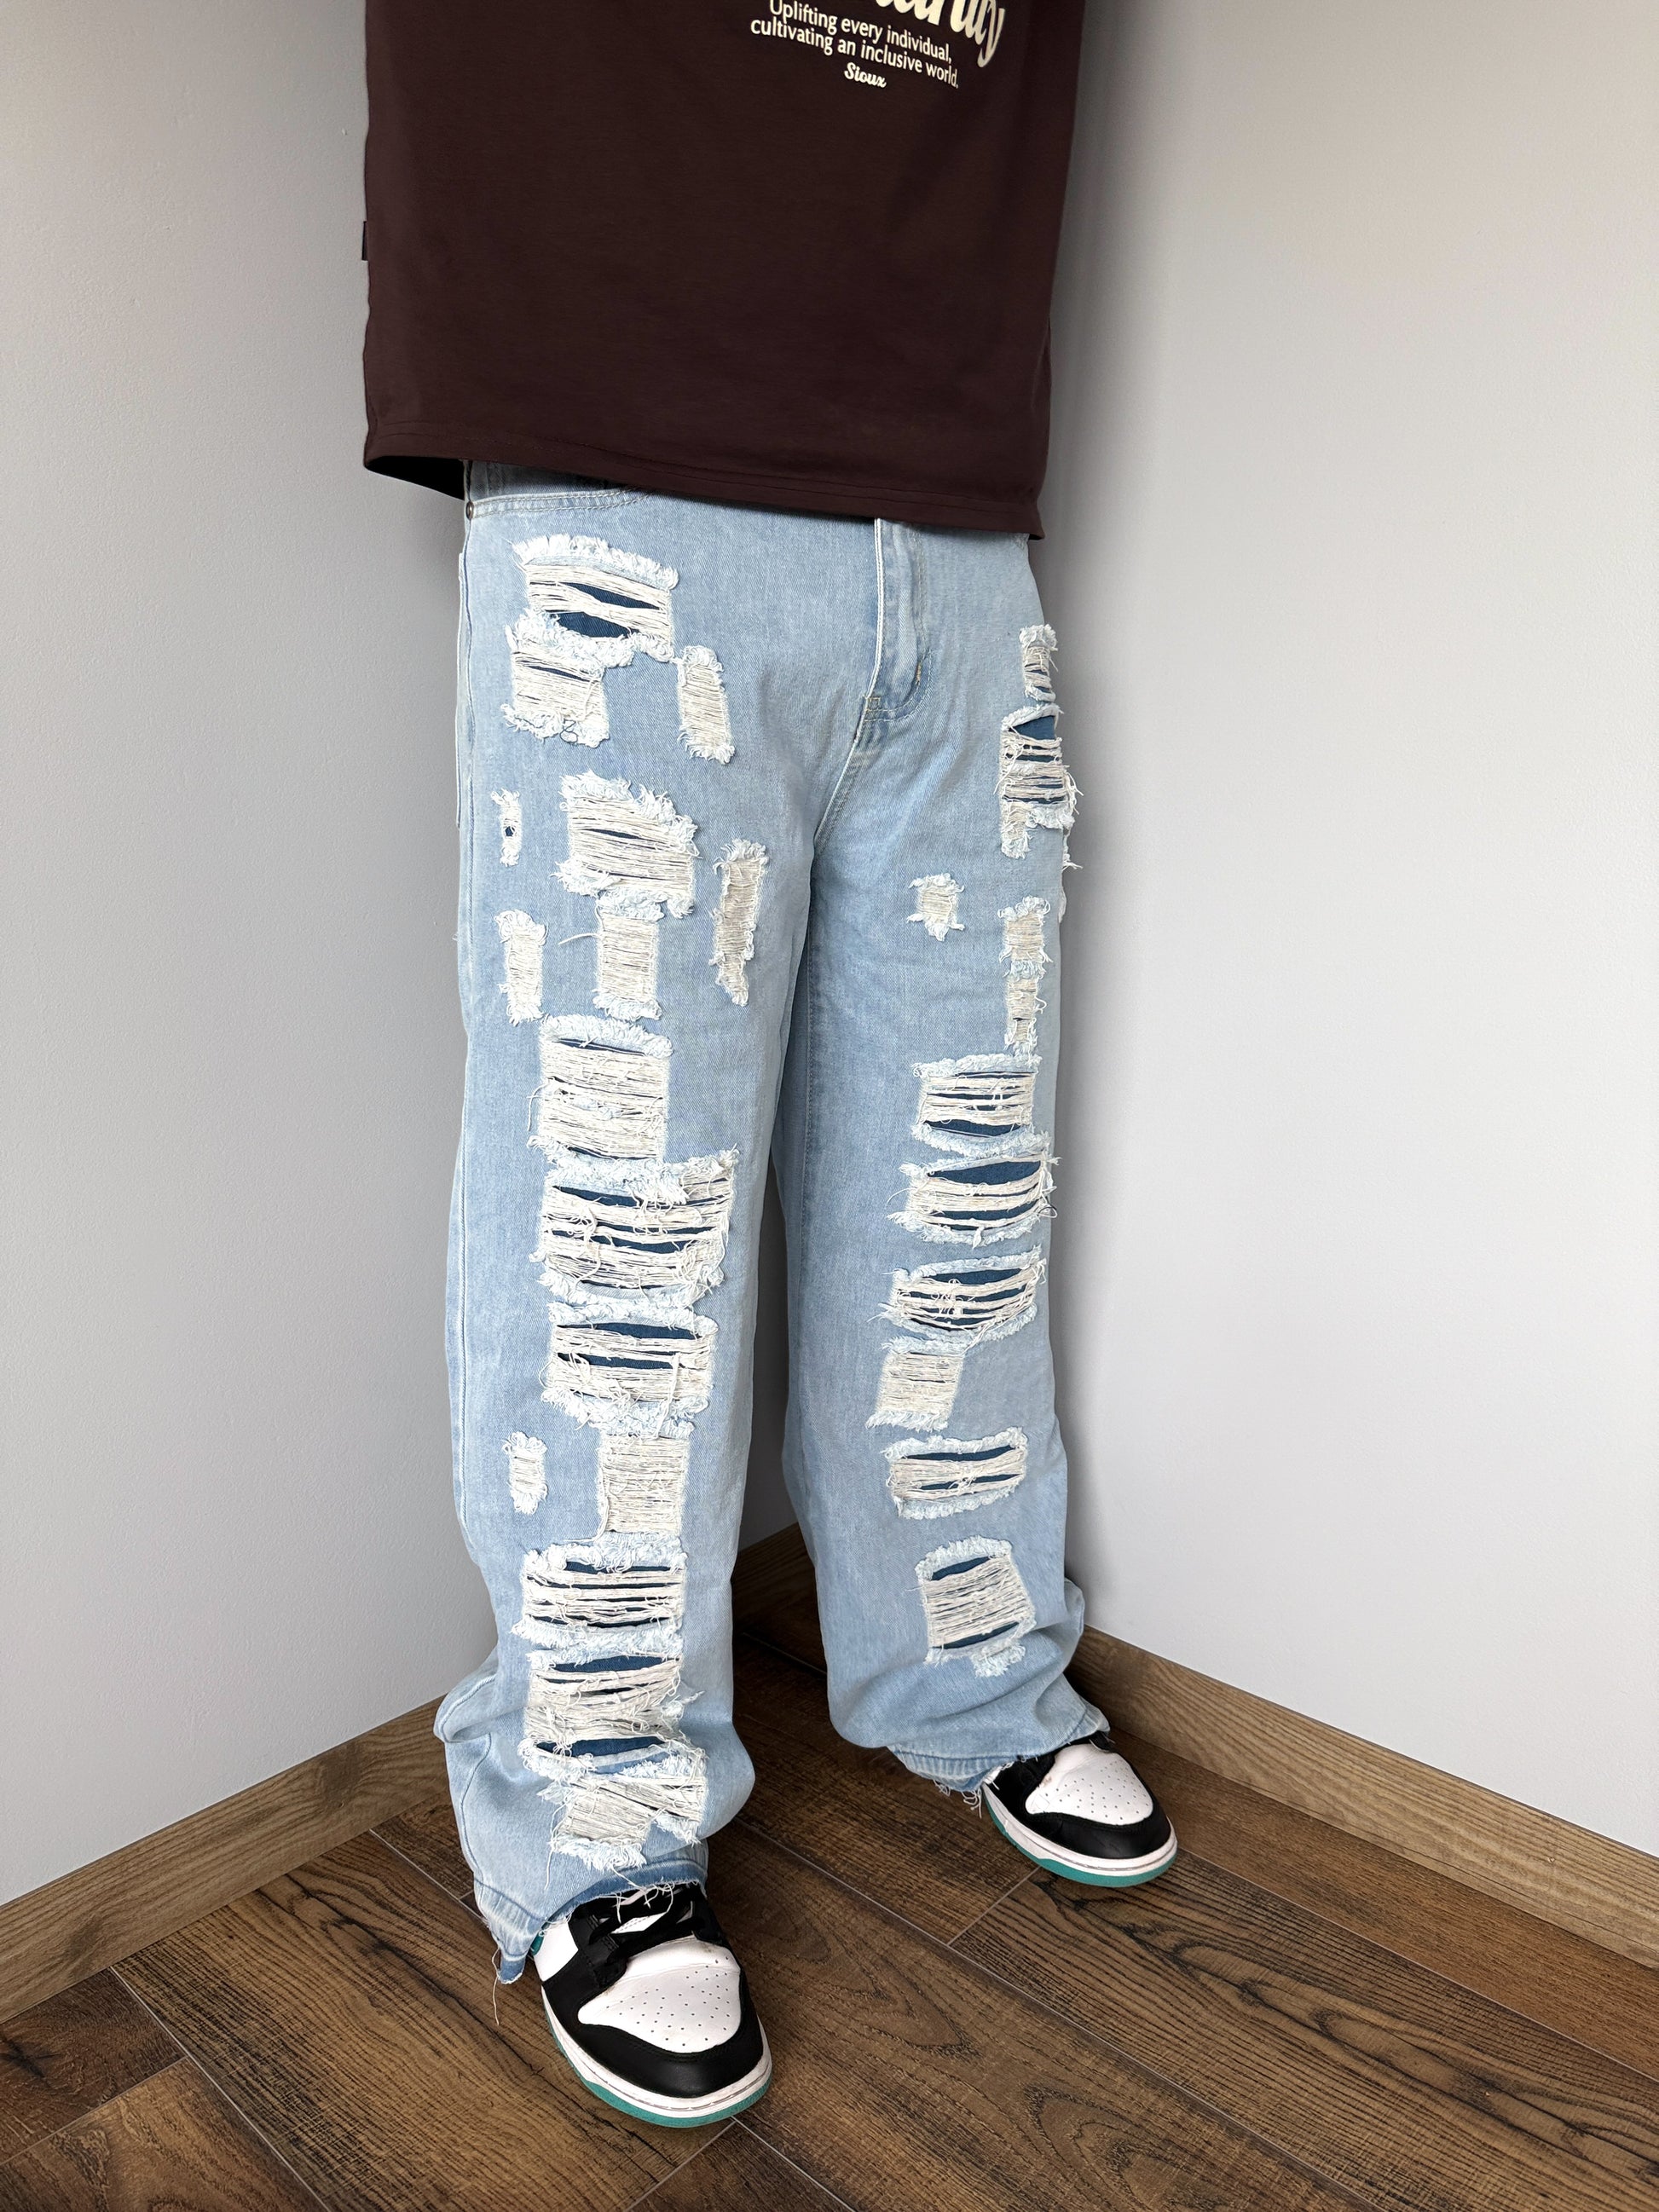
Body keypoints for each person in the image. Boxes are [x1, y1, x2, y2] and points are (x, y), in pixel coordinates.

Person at [362, 0, 1176, 2128]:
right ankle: (595, 1819)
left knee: (953, 1177)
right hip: (623, 454)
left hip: (960, 514)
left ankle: (968, 1657)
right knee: (617, 1212)